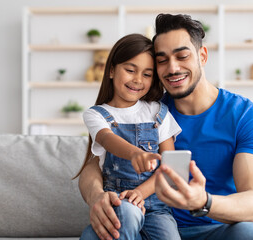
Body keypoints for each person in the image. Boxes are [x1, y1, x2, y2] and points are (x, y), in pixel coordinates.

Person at [152, 13, 253, 240]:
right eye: (162, 60)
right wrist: (96, 195)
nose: (172, 68)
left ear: (202, 56)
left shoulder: (245, 116)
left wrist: (203, 201)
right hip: (156, 229)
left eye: (182, 56)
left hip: (216, 230)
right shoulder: (149, 113)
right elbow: (95, 157)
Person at [76, 33, 181, 240]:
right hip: (117, 201)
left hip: (156, 208)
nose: (137, 80)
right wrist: (135, 154)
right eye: (130, 70)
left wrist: (141, 192)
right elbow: (106, 138)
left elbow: (173, 168)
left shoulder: (159, 112)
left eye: (147, 74)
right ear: (112, 70)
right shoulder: (96, 114)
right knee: (124, 214)